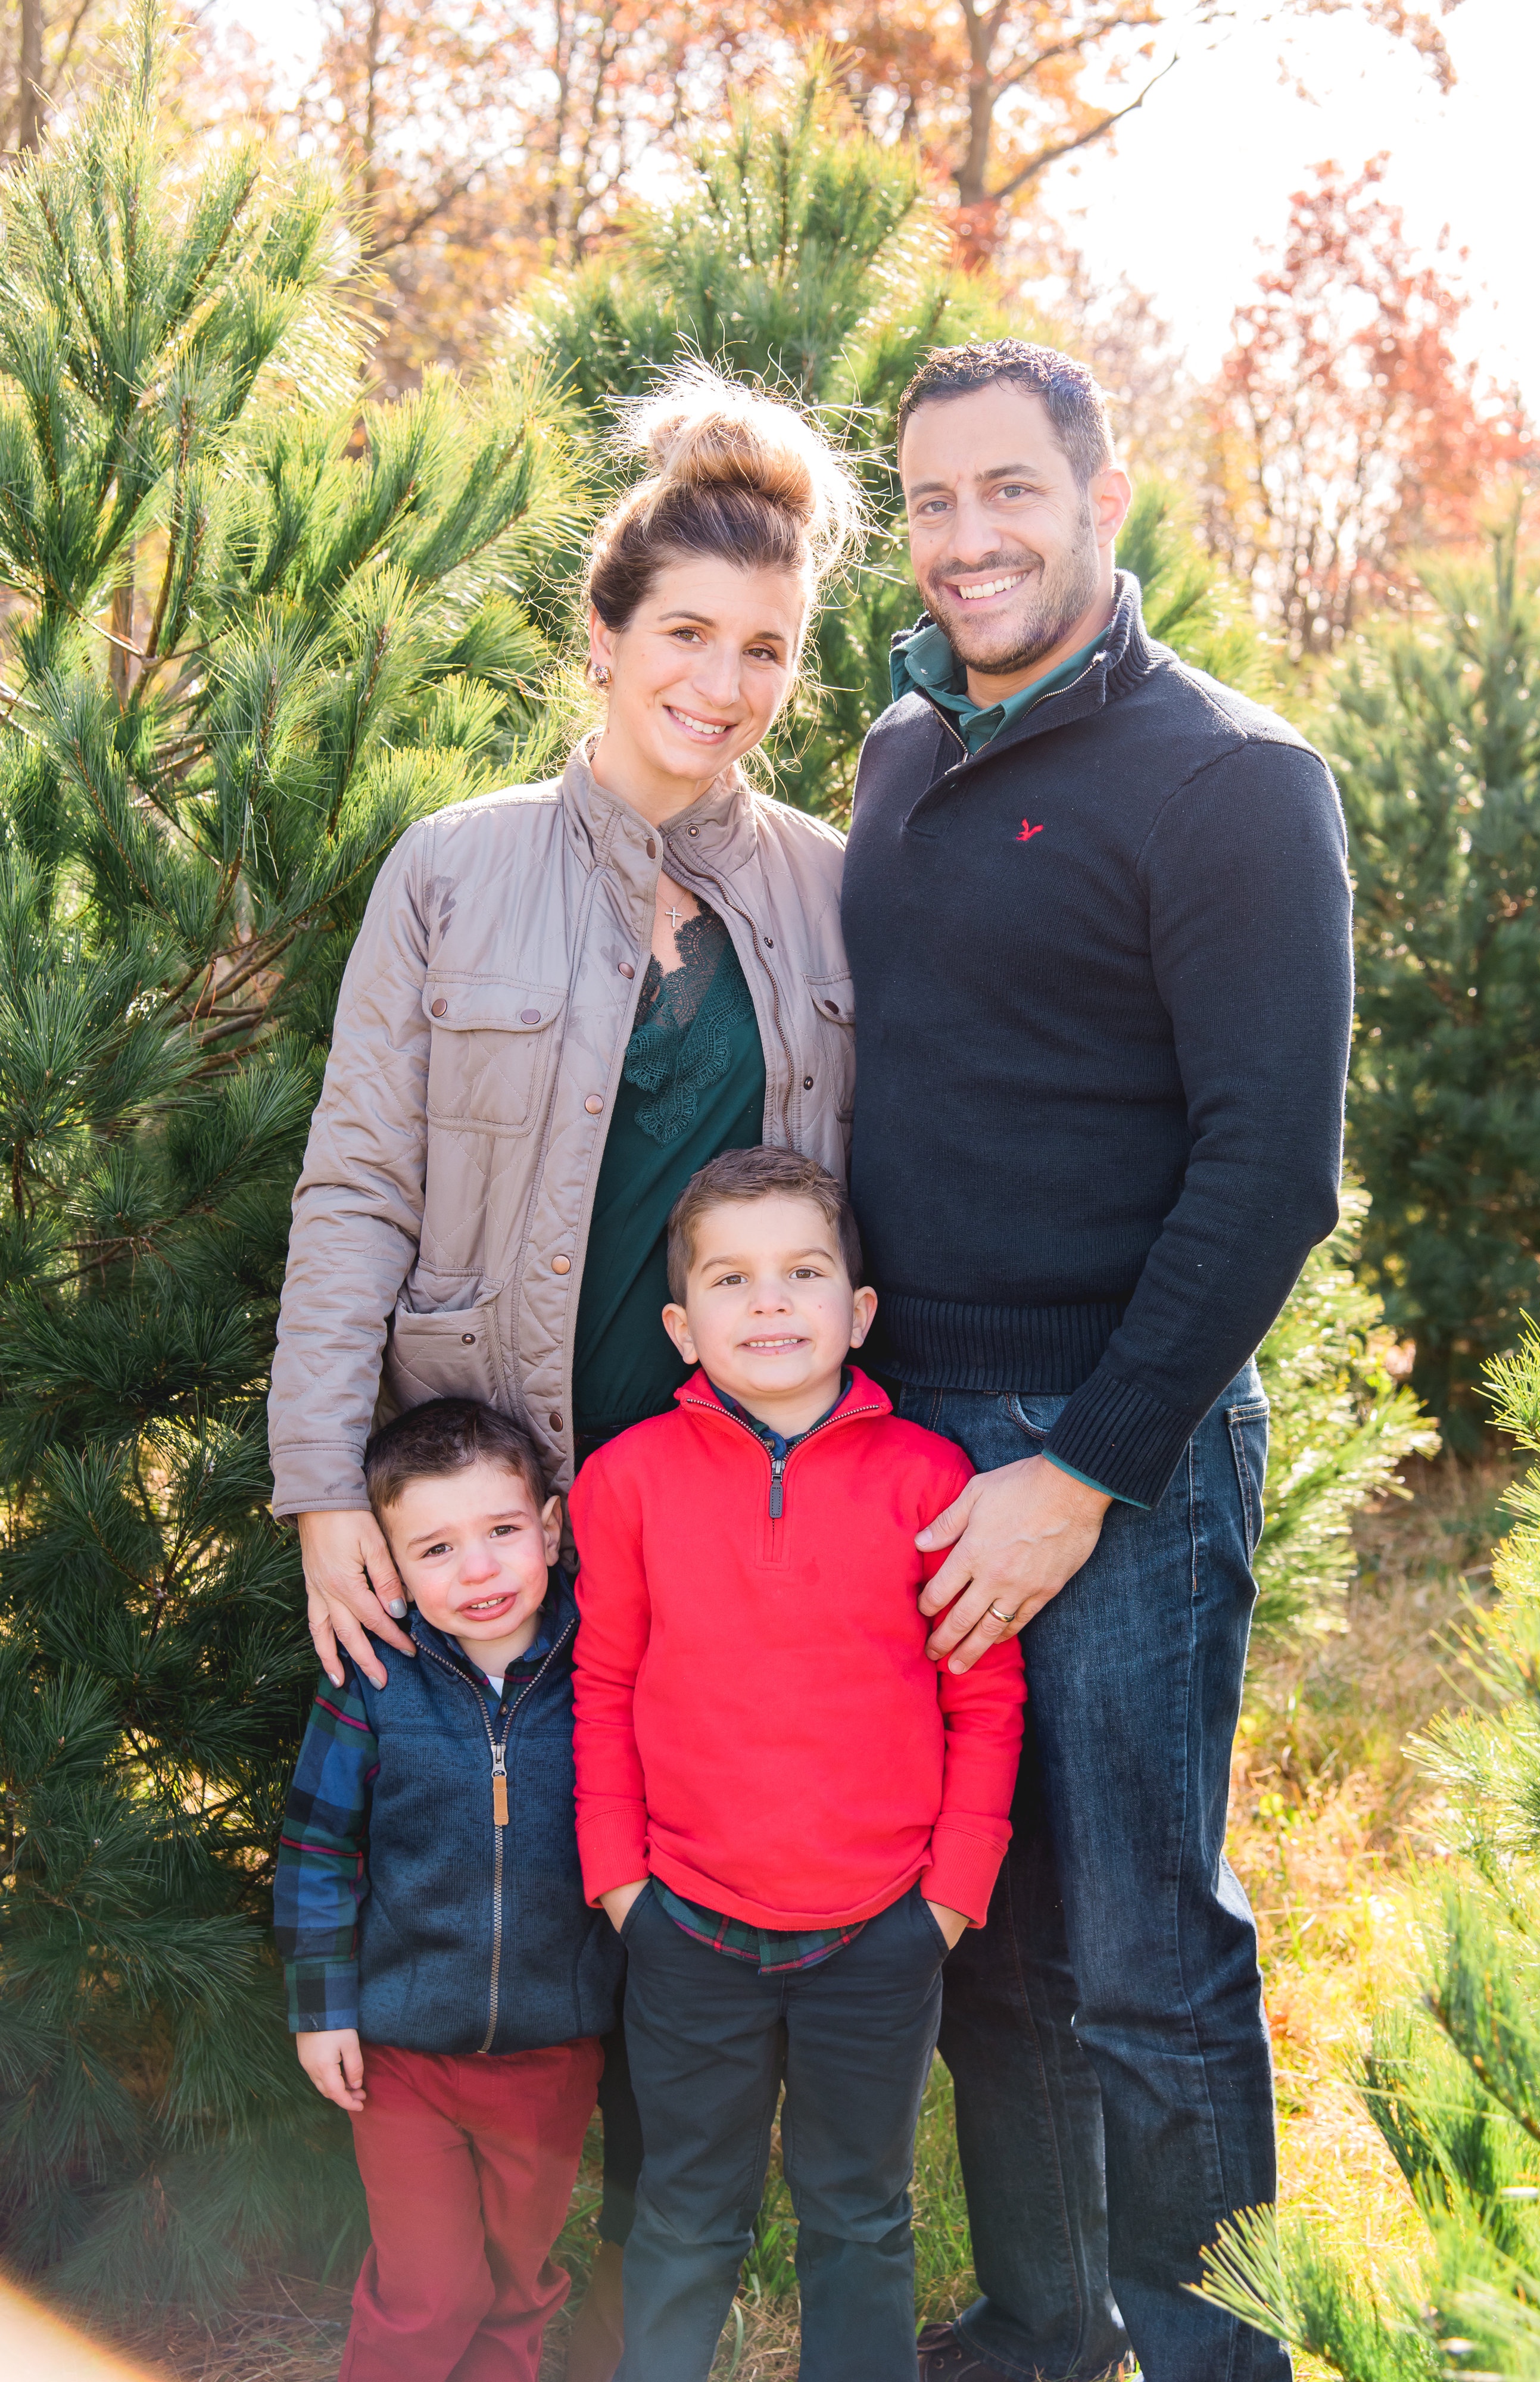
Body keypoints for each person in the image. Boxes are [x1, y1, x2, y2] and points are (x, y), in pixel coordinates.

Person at [269, 368, 864, 2377]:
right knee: (505, 1912)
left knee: (673, 1928)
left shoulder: (828, 887)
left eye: (766, 648)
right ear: (601, 636)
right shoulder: (455, 869)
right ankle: (460, 2305)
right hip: (492, 1519)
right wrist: (323, 1486)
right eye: (684, 633)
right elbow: (357, 1180)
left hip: (715, 1524)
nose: (723, 683)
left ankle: (637, 2322)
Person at [841, 339, 1355, 2381]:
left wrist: (1080, 1475)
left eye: (1008, 493)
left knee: (1146, 1948)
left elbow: (1270, 1171)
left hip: (1109, 1440)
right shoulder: (899, 753)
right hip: (902, 1432)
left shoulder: (1232, 778)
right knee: (993, 1932)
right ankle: (1043, 2328)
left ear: (1100, 501)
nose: (965, 538)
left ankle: (1210, 2350)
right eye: (931, 501)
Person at [569, 1148, 1026, 2382]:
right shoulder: (625, 1483)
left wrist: (947, 1898)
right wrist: (621, 1885)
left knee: (861, 2215)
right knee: (683, 2214)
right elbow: (602, 1688)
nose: (768, 1302)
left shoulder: (932, 1479)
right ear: (681, 1326)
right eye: (730, 1278)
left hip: (879, 1933)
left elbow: (984, 1699)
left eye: (803, 1273)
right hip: (687, 1925)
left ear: (859, 1311)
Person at [275, 1397, 623, 2381]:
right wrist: (321, 2010)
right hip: (403, 2060)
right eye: (434, 1549)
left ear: (549, 1530)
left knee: (516, 2285)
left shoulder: (601, 1666)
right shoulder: (374, 1677)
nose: (478, 1571)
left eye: (502, 1532)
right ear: (387, 1567)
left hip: (552, 2055)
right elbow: (315, 1848)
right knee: (429, 2293)